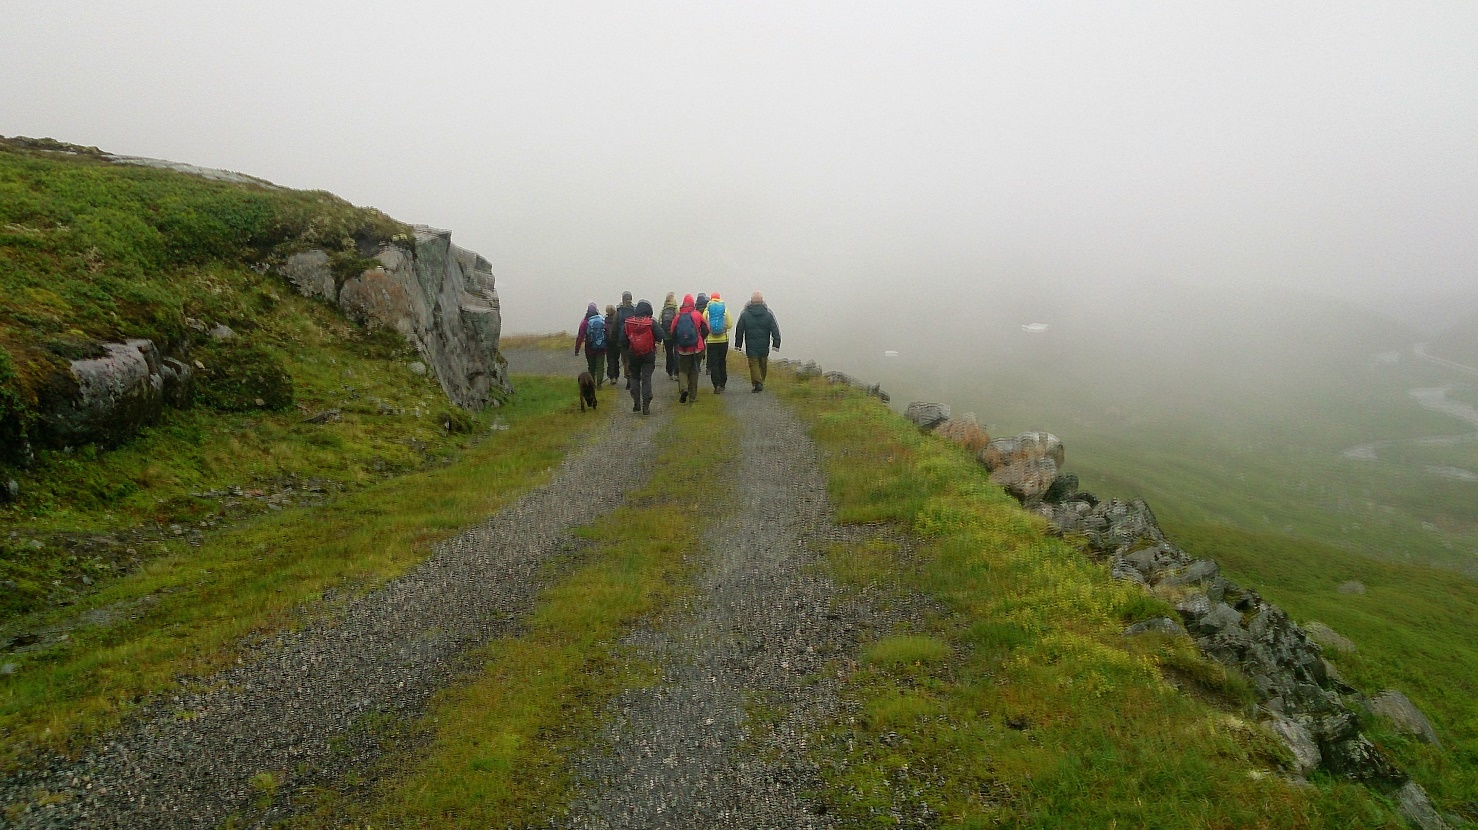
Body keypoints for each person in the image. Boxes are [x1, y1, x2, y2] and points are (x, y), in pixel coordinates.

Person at [620, 299, 664, 415]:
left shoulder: (628, 323)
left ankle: (636, 402)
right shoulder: (651, 323)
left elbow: (622, 340)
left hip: (633, 354)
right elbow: (661, 335)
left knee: (634, 377)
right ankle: (646, 405)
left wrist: (630, 346)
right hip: (648, 354)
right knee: (646, 379)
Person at [733, 291, 781, 392]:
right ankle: (761, 380)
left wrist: (738, 344)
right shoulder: (768, 314)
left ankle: (757, 382)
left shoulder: (745, 314)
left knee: (753, 363)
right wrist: (776, 342)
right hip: (764, 344)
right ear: (762, 301)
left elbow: (739, 330)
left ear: (751, 301)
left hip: (751, 344)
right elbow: (774, 329)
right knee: (763, 363)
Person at [668, 293, 710, 404]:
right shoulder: (697, 315)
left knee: (683, 370)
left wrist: (679, 343)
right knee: (694, 371)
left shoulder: (678, 317)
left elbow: (672, 332)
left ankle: (683, 388)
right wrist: (701, 338)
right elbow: (706, 328)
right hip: (697, 348)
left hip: (683, 350)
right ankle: (692, 397)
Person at [703, 291, 733, 393]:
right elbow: (729, 325)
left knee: (714, 363)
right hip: (723, 340)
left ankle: (716, 385)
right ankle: (723, 383)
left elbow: (703, 325)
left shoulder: (707, 311)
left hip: (711, 341)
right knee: (722, 361)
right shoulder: (724, 310)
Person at [573, 302, 607, 386]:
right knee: (600, 366)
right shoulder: (601, 320)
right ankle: (599, 384)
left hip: (589, 348)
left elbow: (580, 336)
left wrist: (577, 349)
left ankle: (592, 383)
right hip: (601, 348)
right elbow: (607, 333)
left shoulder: (585, 322)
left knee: (591, 367)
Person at [614, 291, 637, 389]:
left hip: (623, 339)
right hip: (634, 339)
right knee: (633, 359)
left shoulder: (619, 311)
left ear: (622, 299)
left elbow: (615, 326)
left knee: (625, 360)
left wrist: (615, 339)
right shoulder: (635, 310)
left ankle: (628, 378)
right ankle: (633, 377)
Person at [659, 292, 679, 381]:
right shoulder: (676, 310)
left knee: (669, 354)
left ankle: (669, 370)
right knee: (676, 353)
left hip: (666, 336)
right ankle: (676, 372)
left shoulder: (663, 310)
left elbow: (659, 322)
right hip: (675, 335)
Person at [603, 304, 620, 386]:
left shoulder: (604, 320)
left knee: (610, 359)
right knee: (616, 359)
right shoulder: (617, 320)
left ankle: (611, 376)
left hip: (608, 342)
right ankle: (616, 376)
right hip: (616, 342)